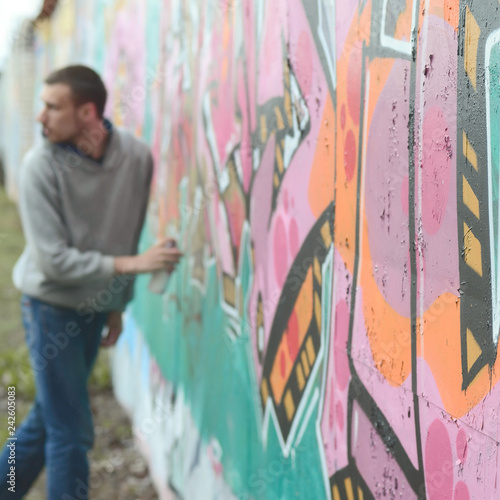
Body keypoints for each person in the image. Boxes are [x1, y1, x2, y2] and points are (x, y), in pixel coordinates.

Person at [0, 65, 182, 499]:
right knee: (71, 430)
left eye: (52, 106)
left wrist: (116, 304)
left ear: (87, 113)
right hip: (50, 306)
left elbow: (127, 231)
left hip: (95, 305)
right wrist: (129, 268)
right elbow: (53, 262)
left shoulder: (135, 158)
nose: (40, 117)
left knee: (50, 416)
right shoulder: (38, 167)